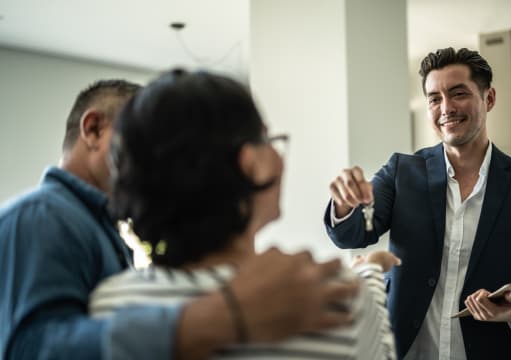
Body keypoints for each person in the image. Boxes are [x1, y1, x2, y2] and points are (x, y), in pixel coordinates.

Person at [0, 79, 360, 360]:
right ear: (93, 129)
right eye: (136, 147)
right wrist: (225, 315)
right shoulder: (41, 218)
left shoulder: (91, 225)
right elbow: (29, 351)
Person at [88, 69, 399, 359]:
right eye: (268, 139)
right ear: (251, 165)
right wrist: (368, 274)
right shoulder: (334, 303)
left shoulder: (107, 308)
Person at [324, 47, 511, 360]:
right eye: (434, 98)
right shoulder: (402, 172)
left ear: (490, 98)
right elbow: (352, 235)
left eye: (458, 93)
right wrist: (345, 204)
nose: (446, 108)